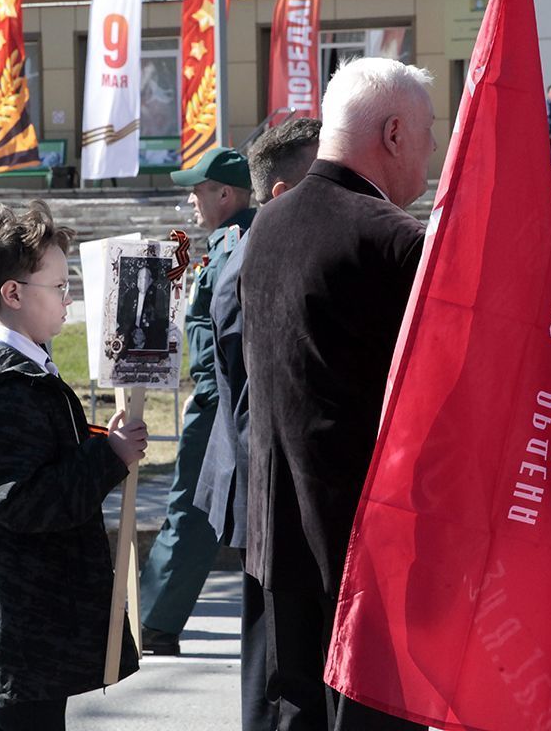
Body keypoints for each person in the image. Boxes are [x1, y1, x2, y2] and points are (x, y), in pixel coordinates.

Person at [239, 57, 431, 731]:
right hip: (365, 547)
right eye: (428, 134)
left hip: (276, 534)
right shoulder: (398, 240)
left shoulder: (266, 224)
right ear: (395, 133)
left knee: (293, 715)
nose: (432, 153)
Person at [0, 201, 147, 729]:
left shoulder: (18, 368)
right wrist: (105, 458)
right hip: (23, 627)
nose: (70, 298)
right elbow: (22, 501)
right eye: (59, 286)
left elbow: (37, 459)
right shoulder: (8, 387)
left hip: (32, 625)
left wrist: (99, 443)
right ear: (14, 293)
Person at [194, 117, 320, 731]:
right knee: (277, 673)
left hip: (265, 486)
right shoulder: (257, 259)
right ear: (283, 192)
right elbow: (255, 393)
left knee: (278, 663)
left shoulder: (255, 252)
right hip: (267, 485)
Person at [137, 146, 255, 656]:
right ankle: (155, 618)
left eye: (197, 189)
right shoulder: (231, 240)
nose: (190, 199)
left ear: (225, 194)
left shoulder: (233, 244)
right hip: (230, 397)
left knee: (190, 507)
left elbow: (224, 330)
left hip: (219, 401)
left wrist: (205, 393)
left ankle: (153, 621)